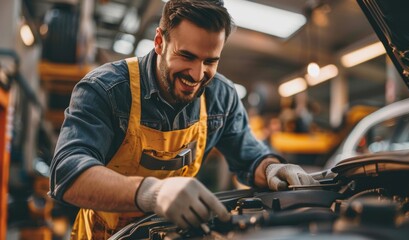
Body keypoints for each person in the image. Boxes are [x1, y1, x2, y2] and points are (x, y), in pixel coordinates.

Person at [48, 0, 317, 239]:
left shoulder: (221, 96)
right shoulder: (106, 89)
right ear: (159, 42)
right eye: (186, 56)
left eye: (210, 61)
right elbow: (67, 173)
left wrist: (271, 168)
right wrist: (151, 193)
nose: (198, 75)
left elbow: (250, 156)